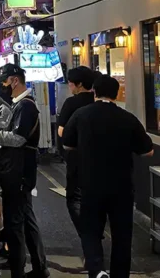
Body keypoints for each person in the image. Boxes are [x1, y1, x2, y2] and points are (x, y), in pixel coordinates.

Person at [62, 75, 154, 278]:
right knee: (122, 234)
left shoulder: (81, 114)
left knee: (90, 230)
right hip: (121, 186)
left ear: (94, 92)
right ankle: (120, 274)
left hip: (90, 184)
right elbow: (147, 151)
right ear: (117, 93)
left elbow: (67, 144)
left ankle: (96, 270)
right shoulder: (127, 118)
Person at [0, 64, 47, 278]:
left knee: (15, 223)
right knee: (26, 219)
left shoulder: (27, 107)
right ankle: (40, 268)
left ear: (14, 80)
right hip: (15, 170)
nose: (1, 86)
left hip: (18, 172)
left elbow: (17, 139)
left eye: (3, 81)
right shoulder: (16, 105)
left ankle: (17, 271)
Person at [55, 66, 98, 238]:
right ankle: (96, 227)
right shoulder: (97, 101)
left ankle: (87, 233)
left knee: (75, 198)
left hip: (76, 158)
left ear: (79, 85)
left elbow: (61, 132)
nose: (70, 87)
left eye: (71, 84)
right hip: (100, 160)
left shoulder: (72, 103)